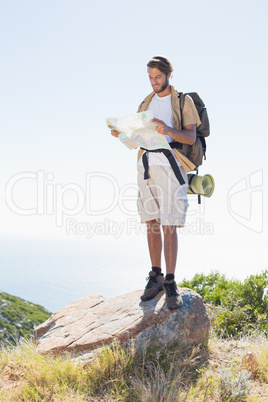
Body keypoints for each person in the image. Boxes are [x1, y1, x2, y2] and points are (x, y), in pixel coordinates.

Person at [110, 56, 201, 309]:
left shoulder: (184, 101)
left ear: (168, 75)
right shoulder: (145, 102)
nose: (154, 82)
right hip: (146, 164)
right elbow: (139, 138)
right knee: (151, 221)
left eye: (158, 77)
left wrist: (167, 130)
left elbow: (191, 137)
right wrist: (123, 135)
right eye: (150, 77)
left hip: (171, 164)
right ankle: (156, 276)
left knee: (169, 223)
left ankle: (171, 282)